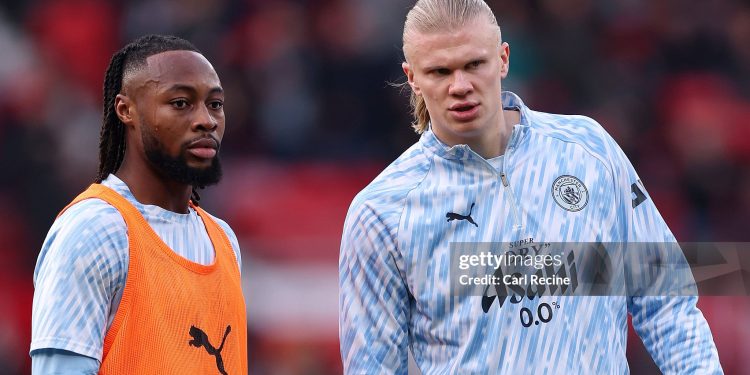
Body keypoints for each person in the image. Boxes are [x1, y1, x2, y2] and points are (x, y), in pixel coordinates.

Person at [338, 0, 722, 373]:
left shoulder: (589, 150)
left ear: (503, 59)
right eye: (440, 71)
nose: (460, 85)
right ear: (413, 79)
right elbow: (372, 366)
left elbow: (666, 302)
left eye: (475, 64)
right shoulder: (381, 212)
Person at [30, 35, 247, 374]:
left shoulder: (224, 240)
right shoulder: (95, 231)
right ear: (126, 110)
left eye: (215, 104)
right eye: (180, 103)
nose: (206, 120)